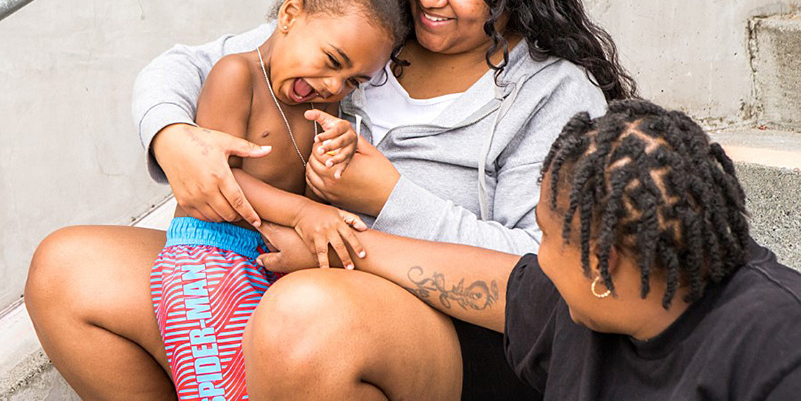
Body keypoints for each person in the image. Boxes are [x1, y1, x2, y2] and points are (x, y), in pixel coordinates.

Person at [26, 0, 636, 400]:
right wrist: (172, 137)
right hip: (274, 267)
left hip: (437, 329)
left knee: (303, 315)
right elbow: (192, 64)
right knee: (69, 271)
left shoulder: (552, 93)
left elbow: (536, 271)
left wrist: (385, 203)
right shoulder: (372, 34)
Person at [254, 99, 801, 399]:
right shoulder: (597, 298)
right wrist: (347, 248)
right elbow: (489, 281)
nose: (535, 253)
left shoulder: (778, 350)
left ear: (601, 261)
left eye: (542, 234)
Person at [150, 0, 412, 401]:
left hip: (269, 272)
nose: (335, 85)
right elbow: (220, 181)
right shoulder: (236, 76)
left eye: (355, 80)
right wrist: (302, 215)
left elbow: (316, 194)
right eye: (332, 59)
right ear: (290, 14)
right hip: (208, 266)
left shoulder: (326, 108)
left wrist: (334, 164)